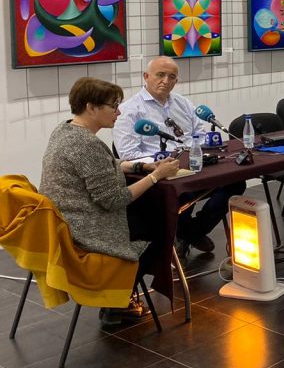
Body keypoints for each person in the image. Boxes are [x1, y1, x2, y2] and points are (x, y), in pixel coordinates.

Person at [40, 77, 181, 326]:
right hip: (86, 231)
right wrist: (156, 175)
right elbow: (114, 200)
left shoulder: (65, 130)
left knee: (148, 212)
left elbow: (99, 167)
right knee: (160, 231)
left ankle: (120, 296)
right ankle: (116, 302)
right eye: (113, 106)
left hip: (67, 221)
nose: (119, 112)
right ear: (91, 107)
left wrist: (138, 165)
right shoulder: (86, 144)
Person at [113, 56, 242, 254]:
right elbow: (128, 155)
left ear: (176, 81)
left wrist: (197, 149)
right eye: (160, 75)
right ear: (146, 77)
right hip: (161, 174)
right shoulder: (129, 111)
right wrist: (159, 163)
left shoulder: (183, 103)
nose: (165, 80)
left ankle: (190, 232)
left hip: (193, 165)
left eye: (171, 76)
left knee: (235, 183)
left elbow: (201, 134)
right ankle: (188, 233)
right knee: (184, 194)